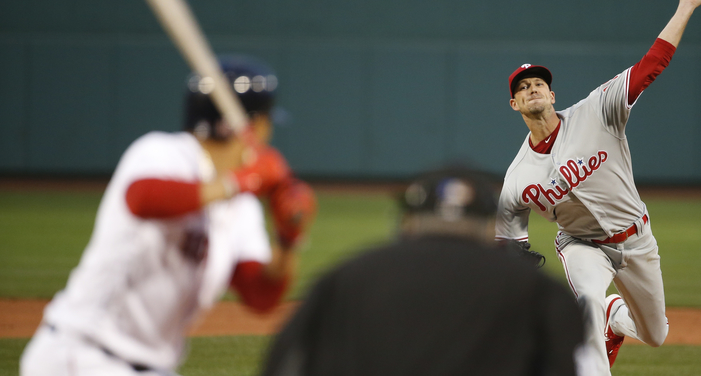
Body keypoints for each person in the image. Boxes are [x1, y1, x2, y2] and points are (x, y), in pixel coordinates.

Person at [20, 55, 316, 376]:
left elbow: (260, 295)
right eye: (266, 122)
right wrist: (241, 181)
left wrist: (288, 237)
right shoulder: (164, 154)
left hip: (151, 366)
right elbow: (142, 198)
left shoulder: (242, 206)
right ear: (250, 127)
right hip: (82, 355)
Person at [494, 0, 701, 375]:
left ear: (552, 94)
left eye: (538, 83)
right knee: (587, 301)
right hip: (582, 245)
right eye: (523, 87)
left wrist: (685, 7)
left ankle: (615, 316)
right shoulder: (518, 178)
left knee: (655, 334)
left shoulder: (597, 111)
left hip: (637, 238)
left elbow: (651, 65)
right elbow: (507, 240)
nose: (532, 88)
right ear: (514, 104)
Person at [261, 167, 586, 376]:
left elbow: (287, 362)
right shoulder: (539, 289)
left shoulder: (348, 277)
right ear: (490, 228)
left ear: (408, 222)